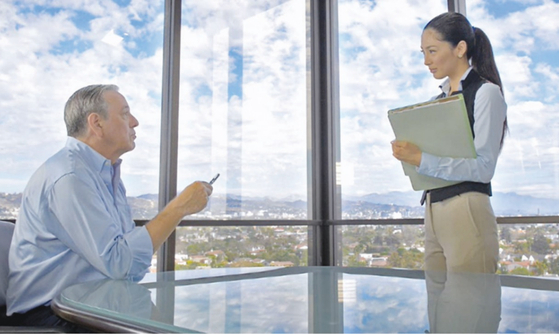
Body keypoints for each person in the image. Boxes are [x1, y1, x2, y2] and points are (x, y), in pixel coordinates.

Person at [6, 84, 213, 329]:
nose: (135, 122)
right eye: (125, 114)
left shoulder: (105, 175)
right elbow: (120, 263)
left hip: (92, 305)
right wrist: (178, 208)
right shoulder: (70, 177)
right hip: (51, 316)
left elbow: (126, 264)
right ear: (97, 123)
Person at [391, 12, 507, 274]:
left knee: (470, 305)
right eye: (423, 52)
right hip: (433, 207)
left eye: (432, 51)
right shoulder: (437, 101)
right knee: (438, 305)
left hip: (466, 207)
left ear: (460, 48)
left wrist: (421, 159)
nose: (426, 61)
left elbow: (485, 167)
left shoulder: (486, 92)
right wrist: (409, 156)